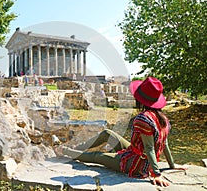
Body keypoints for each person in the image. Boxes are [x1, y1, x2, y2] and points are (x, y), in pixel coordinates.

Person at [55, 77, 186, 187]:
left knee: (97, 156)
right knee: (107, 133)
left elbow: (149, 147)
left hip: (137, 164)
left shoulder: (143, 118)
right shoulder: (164, 119)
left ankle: (66, 152)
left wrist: (157, 174)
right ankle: (77, 149)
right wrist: (172, 165)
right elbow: (165, 145)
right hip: (136, 151)